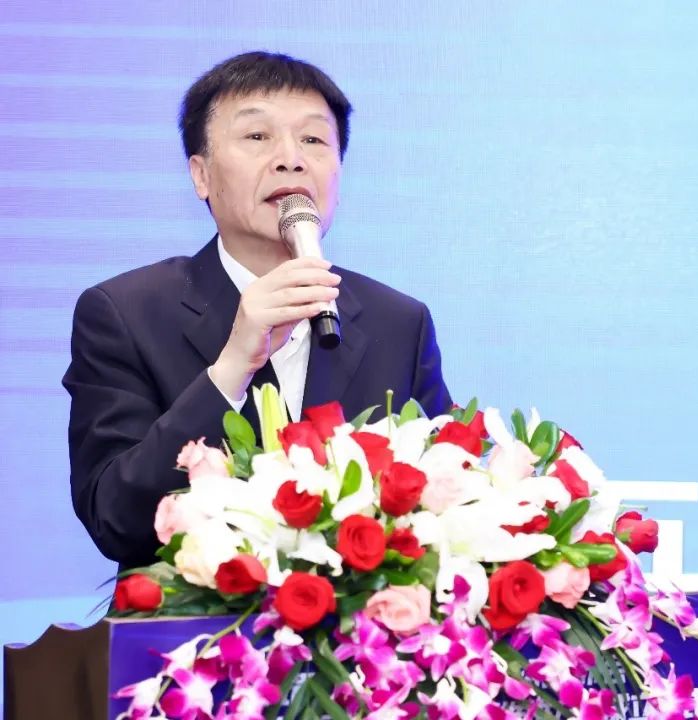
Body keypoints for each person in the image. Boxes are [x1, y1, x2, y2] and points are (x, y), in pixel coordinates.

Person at [63, 52, 452, 569]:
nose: (291, 159)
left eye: (313, 140)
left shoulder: (398, 322)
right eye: (257, 136)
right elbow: (114, 518)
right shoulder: (125, 313)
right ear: (201, 175)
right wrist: (231, 368)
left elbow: (450, 503)